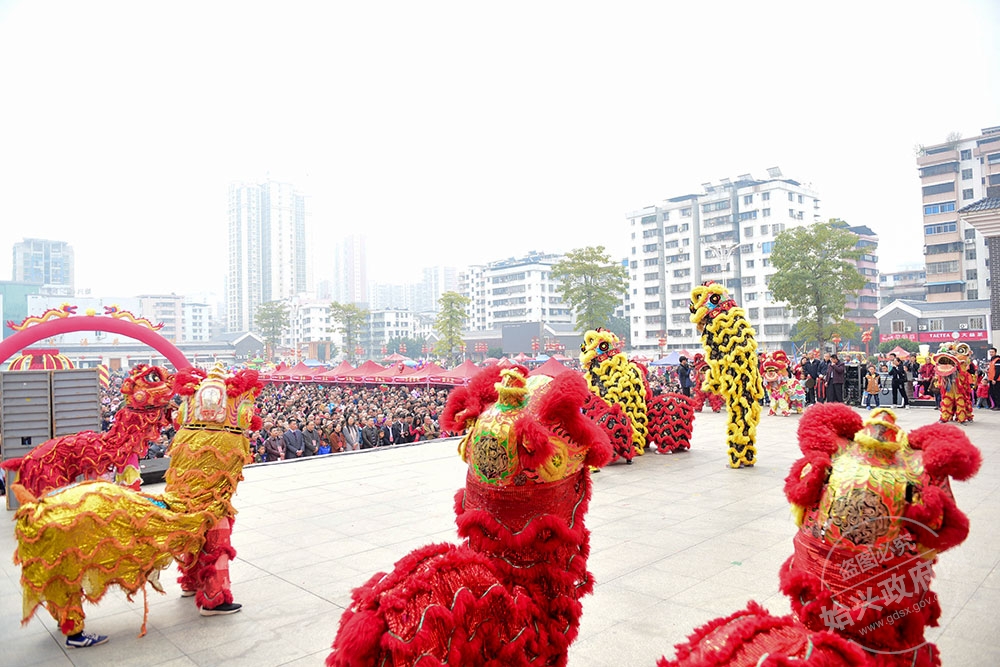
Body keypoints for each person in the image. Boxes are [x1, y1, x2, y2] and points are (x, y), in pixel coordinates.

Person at [987, 347, 1000, 411]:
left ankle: (998, 406)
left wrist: (995, 379)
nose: (991, 353)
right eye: (990, 352)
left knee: (997, 393)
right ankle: (995, 405)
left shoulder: (998, 360)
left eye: (992, 352)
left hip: (996, 380)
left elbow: (998, 370)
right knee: (992, 393)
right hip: (991, 379)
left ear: (995, 352)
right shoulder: (992, 360)